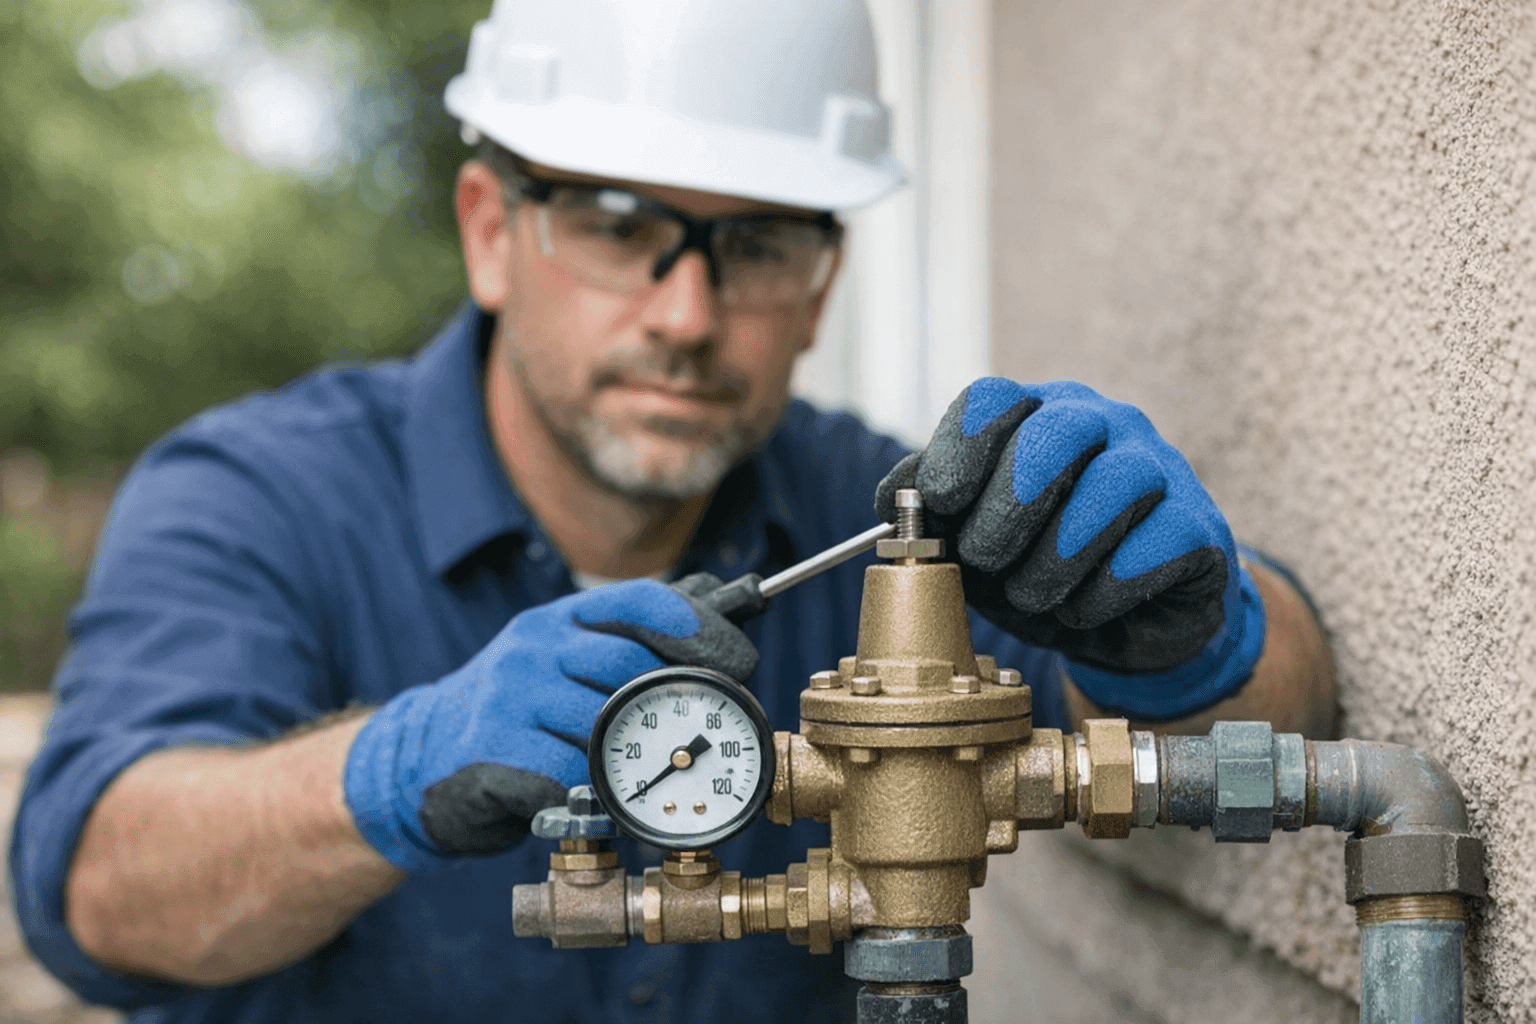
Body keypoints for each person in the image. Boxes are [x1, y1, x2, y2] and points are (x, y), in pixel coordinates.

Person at [9, 1, 1336, 1021]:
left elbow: (1292, 714)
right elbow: (98, 892)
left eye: (756, 246)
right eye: (615, 221)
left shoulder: (878, 522)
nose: (687, 316)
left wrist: (1199, 634)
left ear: (822, 287)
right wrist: (389, 772)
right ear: (488, 229)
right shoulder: (261, 497)